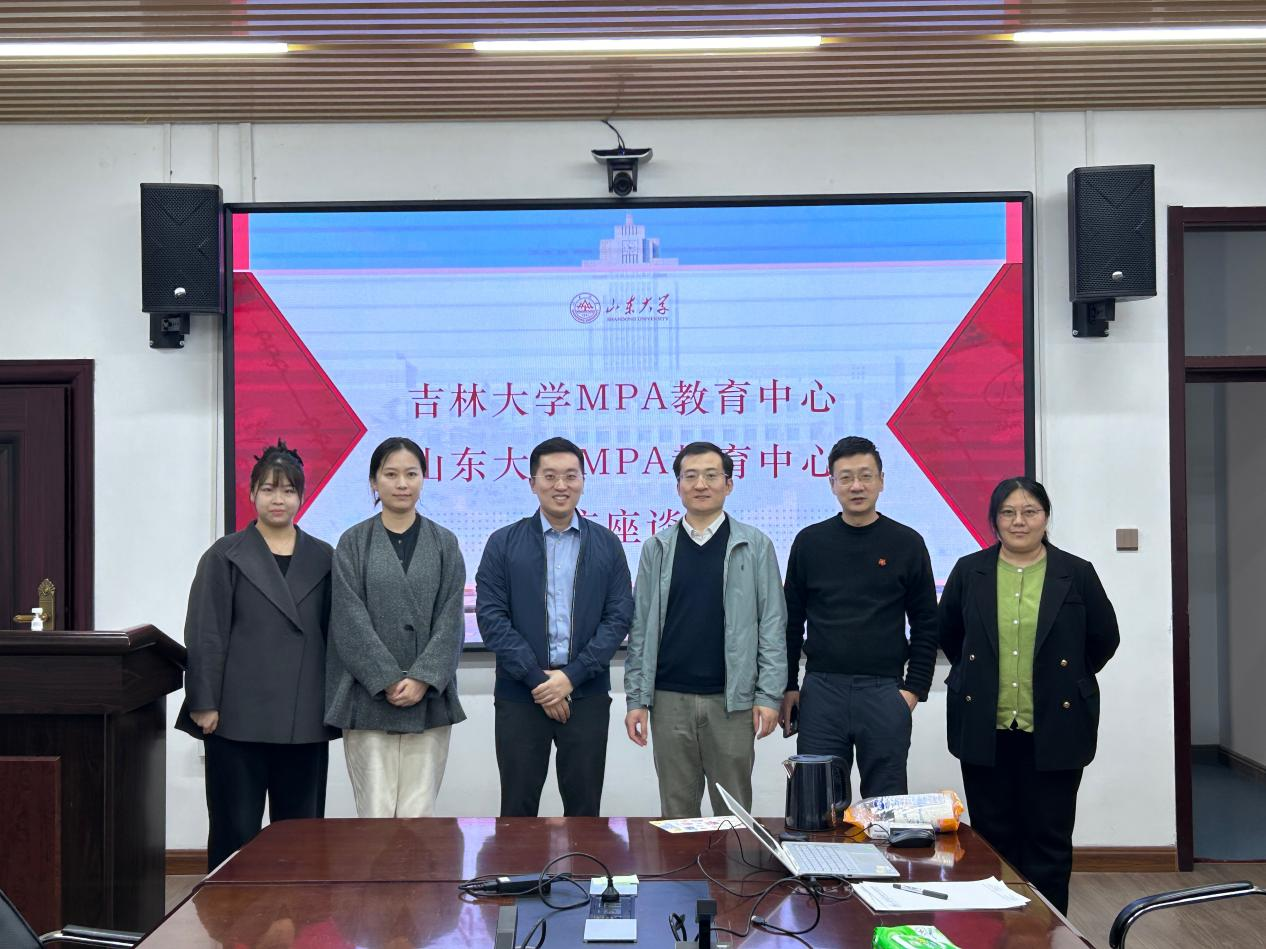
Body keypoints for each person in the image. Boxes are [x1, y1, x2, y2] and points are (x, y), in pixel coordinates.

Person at [939, 476, 1119, 915]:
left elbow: (1104, 638)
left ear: (1045, 517)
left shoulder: (1075, 573)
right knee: (993, 838)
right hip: (986, 727)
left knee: (1049, 840)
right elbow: (949, 634)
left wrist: (1065, 681)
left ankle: (1049, 929)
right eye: (1008, 513)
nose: (1019, 521)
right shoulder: (970, 571)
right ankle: (999, 928)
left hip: (1057, 726)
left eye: (1029, 512)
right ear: (995, 520)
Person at [178, 440, 337, 871]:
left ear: (302, 497)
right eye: (268, 489)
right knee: (234, 830)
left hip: (304, 717)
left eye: (288, 490)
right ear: (252, 494)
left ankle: (297, 909)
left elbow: (335, 636)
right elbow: (205, 632)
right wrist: (204, 701)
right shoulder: (225, 555)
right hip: (236, 717)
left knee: (301, 833)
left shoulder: (324, 557)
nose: (278, 499)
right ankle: (228, 909)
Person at [623, 441, 787, 817]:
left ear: (728, 484)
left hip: (732, 703)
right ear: (678, 486)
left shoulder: (755, 546)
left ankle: (733, 862)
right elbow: (641, 628)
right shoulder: (657, 548)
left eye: (712, 475)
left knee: (734, 815)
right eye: (691, 476)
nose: (701, 484)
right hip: (669, 700)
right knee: (676, 813)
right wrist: (637, 700)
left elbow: (772, 625)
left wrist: (768, 696)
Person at [476, 436, 634, 817]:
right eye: (549, 476)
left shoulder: (607, 544)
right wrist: (539, 681)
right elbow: (491, 618)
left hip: (586, 694)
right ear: (533, 483)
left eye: (570, 476)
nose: (560, 485)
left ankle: (581, 864)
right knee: (517, 810)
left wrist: (570, 678)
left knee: (585, 811)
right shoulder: (503, 543)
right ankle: (520, 866)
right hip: (520, 694)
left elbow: (618, 618)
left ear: (583, 481)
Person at [780, 435, 938, 804]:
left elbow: (927, 623)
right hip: (821, 690)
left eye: (866, 476)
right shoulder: (810, 542)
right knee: (816, 804)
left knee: (886, 806)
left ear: (881, 480)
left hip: (884, 691)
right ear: (831, 483)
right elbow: (790, 622)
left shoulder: (907, 543)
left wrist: (913, 690)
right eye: (846, 477)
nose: (856, 486)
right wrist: (788, 686)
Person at [326, 436, 466, 818]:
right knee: (375, 811)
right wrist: (386, 678)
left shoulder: (445, 542)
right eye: (390, 475)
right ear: (374, 481)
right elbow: (348, 618)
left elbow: (451, 618)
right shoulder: (353, 542)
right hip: (369, 697)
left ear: (423, 479)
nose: (402, 484)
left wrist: (423, 677)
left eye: (411, 474)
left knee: (419, 813)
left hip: (429, 699)